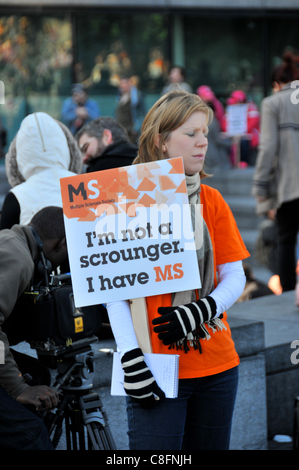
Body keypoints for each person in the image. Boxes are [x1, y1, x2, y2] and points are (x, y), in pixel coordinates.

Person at [106, 90, 250, 450]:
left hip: (218, 366)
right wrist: (129, 357)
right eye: (191, 134)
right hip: (152, 368)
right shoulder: (125, 201)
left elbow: (236, 275)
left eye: (204, 132)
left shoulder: (214, 201)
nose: (203, 142)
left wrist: (203, 309)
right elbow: (112, 289)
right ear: (161, 141)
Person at [0, 206, 67, 449]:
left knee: (37, 375)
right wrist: (18, 388)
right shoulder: (19, 258)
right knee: (31, 434)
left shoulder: (11, 240)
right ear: (60, 244)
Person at [252, 51, 299, 292]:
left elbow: (268, 147)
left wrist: (260, 185)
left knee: (286, 239)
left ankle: (289, 294)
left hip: (290, 186)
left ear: (276, 84)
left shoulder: (274, 102)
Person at [0, 112, 82, 229]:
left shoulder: (17, 195)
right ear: (65, 146)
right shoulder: (85, 185)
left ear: (18, 153)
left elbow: (5, 242)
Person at [221, 90, 260, 166]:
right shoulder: (230, 109)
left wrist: (240, 131)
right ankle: (229, 163)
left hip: (249, 139)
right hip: (233, 136)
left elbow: (253, 122)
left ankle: (244, 162)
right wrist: (232, 131)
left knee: (243, 142)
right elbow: (224, 124)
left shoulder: (251, 108)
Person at [115, 75, 146, 144]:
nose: (123, 85)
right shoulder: (120, 96)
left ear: (129, 83)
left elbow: (142, 113)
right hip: (122, 130)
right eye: (121, 83)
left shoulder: (137, 96)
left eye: (124, 83)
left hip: (132, 131)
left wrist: (136, 128)